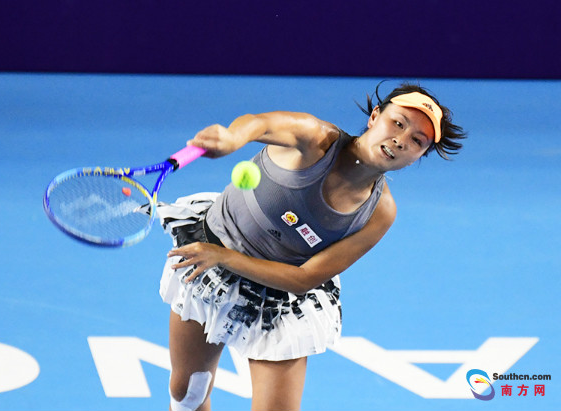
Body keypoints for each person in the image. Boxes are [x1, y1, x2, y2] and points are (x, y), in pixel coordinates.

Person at [157, 82, 466, 411]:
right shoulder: (316, 138)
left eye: (417, 141)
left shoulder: (380, 212)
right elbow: (260, 123)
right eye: (398, 123)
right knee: (187, 392)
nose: (400, 140)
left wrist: (224, 258)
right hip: (213, 259)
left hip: (278, 297)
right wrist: (233, 137)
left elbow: (304, 278)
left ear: (418, 156)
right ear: (375, 116)